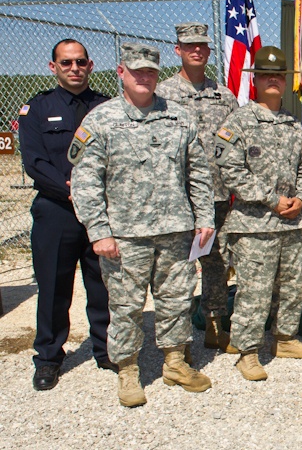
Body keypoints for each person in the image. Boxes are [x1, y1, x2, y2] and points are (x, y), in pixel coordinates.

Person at [69, 42, 216, 407]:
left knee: (177, 300)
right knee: (126, 306)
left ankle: (175, 362)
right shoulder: (101, 120)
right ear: (122, 73)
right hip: (125, 235)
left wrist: (205, 218)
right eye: (137, 72)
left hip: (176, 229)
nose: (144, 77)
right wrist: (98, 232)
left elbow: (197, 173)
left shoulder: (180, 117)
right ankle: (128, 370)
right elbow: (86, 181)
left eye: (150, 71)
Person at [214, 46, 302, 381]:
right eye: (266, 75)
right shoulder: (239, 122)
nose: (273, 81)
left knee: (290, 286)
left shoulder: (292, 124)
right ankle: (247, 351)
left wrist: (301, 199)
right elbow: (230, 170)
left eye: (279, 75)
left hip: (290, 222)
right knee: (254, 290)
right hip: (254, 223)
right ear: (255, 79)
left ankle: (285, 339)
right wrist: (272, 200)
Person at [18, 39, 114, 391]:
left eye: (80, 62)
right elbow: (34, 161)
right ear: (53, 67)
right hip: (56, 210)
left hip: (100, 213)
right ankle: (48, 357)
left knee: (102, 283)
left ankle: (106, 349)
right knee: (54, 286)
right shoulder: (38, 109)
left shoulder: (106, 107)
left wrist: (94, 196)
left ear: (90, 65)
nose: (74, 68)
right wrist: (71, 190)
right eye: (66, 63)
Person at [156, 22, 240, 354]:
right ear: (177, 50)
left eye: (202, 46)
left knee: (216, 261)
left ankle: (215, 323)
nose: (197, 50)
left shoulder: (223, 95)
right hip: (177, 198)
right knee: (176, 267)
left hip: (217, 195)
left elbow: (234, 140)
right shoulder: (162, 94)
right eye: (189, 46)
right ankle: (175, 337)